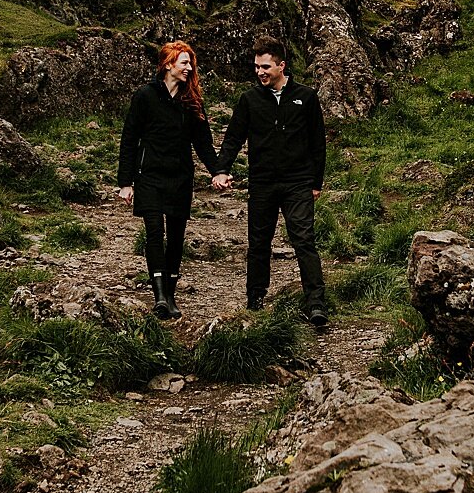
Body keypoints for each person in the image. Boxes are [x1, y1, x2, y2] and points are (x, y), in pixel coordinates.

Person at [214, 35, 328, 325]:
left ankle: (316, 303)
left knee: (304, 240)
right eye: (257, 67)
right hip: (262, 182)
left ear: (281, 66)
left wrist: (317, 182)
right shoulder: (249, 100)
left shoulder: (307, 96)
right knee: (258, 243)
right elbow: (233, 138)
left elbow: (317, 142)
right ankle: (255, 299)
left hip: (298, 182)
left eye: (265, 67)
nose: (260, 72)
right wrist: (222, 169)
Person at [117, 40, 227, 320]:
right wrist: (126, 182)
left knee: (177, 236)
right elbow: (129, 138)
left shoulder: (192, 101)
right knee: (154, 232)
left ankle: (172, 292)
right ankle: (160, 297)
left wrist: (218, 171)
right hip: (149, 175)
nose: (189, 68)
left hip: (180, 177)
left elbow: (203, 142)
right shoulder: (145, 96)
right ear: (168, 64)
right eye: (184, 62)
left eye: (190, 63)